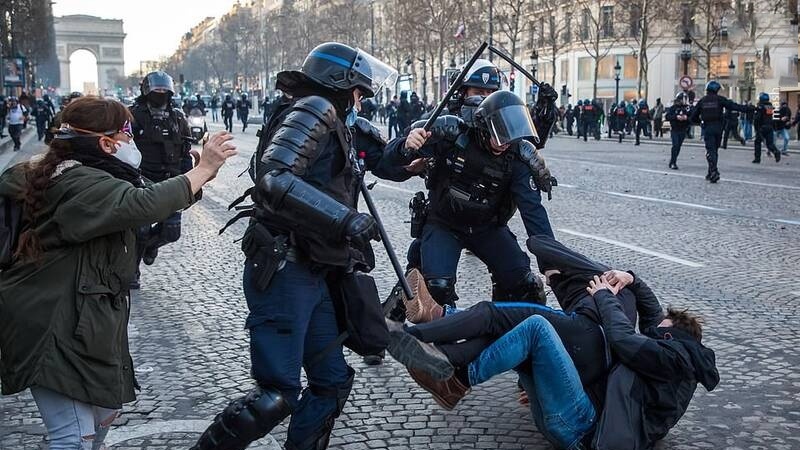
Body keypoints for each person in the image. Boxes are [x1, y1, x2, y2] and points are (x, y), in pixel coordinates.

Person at [190, 42, 401, 450]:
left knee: (332, 380)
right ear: (341, 83)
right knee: (277, 394)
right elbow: (274, 178)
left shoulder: (328, 114)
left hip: (314, 267)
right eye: (359, 90)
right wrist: (346, 219)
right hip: (286, 267)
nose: (361, 100)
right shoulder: (315, 107)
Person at [0, 96, 235, 450]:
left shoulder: (80, 171)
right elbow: (137, 204)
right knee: (74, 436)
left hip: (77, 318)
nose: (133, 141)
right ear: (106, 143)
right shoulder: (78, 182)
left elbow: (136, 195)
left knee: (104, 412)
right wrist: (203, 172)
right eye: (128, 133)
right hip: (52, 324)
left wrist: (192, 173)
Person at [386, 236, 718, 450]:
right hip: (568, 419)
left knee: (536, 328)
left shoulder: (672, 360)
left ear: (673, 334)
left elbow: (623, 337)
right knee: (516, 335)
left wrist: (604, 296)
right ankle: (442, 355)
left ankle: (455, 375)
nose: (652, 328)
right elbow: (648, 316)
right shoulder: (675, 365)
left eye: (659, 328)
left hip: (581, 429)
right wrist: (632, 277)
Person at [379, 88, 557, 317]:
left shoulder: (517, 157)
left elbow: (533, 211)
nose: (504, 143)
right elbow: (392, 157)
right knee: (437, 287)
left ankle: (508, 329)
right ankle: (431, 334)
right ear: (484, 127)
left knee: (525, 285)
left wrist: (551, 262)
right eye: (499, 134)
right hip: (443, 224)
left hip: (487, 228)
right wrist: (406, 145)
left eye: (509, 135)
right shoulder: (453, 135)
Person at [129, 71, 194, 289]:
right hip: (142, 180)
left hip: (171, 179)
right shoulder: (132, 116)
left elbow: (186, 151)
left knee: (172, 231)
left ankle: (151, 246)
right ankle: (133, 271)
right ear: (147, 91)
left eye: (163, 90)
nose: (160, 93)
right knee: (140, 230)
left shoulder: (178, 117)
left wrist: (191, 179)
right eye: (156, 89)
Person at [689, 80, 749, 183]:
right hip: (719, 128)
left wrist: (700, 123)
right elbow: (734, 106)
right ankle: (710, 172)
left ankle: (713, 171)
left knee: (710, 150)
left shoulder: (703, 101)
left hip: (708, 127)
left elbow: (693, 116)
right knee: (715, 150)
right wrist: (750, 109)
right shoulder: (720, 99)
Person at [665, 92, 692, 170]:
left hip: (683, 129)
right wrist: (676, 117)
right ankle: (673, 162)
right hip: (675, 129)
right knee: (675, 145)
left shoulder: (688, 108)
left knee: (678, 146)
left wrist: (686, 118)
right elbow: (667, 116)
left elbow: (693, 117)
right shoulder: (673, 107)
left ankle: (673, 160)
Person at [752, 92, 781, 164]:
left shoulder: (760, 106)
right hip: (769, 127)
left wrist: (756, 128)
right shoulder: (769, 106)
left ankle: (757, 158)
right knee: (770, 143)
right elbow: (770, 117)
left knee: (757, 143)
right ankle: (776, 151)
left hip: (761, 127)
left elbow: (757, 118)